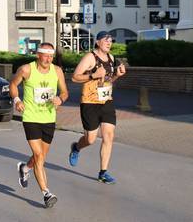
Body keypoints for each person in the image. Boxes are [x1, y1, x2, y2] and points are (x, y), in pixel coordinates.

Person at [9, 42, 68, 208]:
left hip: (49, 118)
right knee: (39, 156)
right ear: (38, 55)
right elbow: (13, 84)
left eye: (51, 56)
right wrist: (17, 100)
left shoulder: (57, 71)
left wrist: (60, 99)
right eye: (46, 55)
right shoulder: (27, 69)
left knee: (40, 156)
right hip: (31, 117)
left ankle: (25, 168)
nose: (49, 59)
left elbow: (65, 91)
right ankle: (46, 193)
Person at [68, 31, 126, 184]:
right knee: (91, 139)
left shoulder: (112, 58)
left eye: (111, 40)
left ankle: (103, 172)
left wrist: (117, 75)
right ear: (98, 42)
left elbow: (108, 80)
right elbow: (74, 77)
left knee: (109, 136)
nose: (109, 42)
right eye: (106, 40)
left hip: (106, 101)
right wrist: (92, 75)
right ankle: (76, 147)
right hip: (90, 103)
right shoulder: (90, 58)